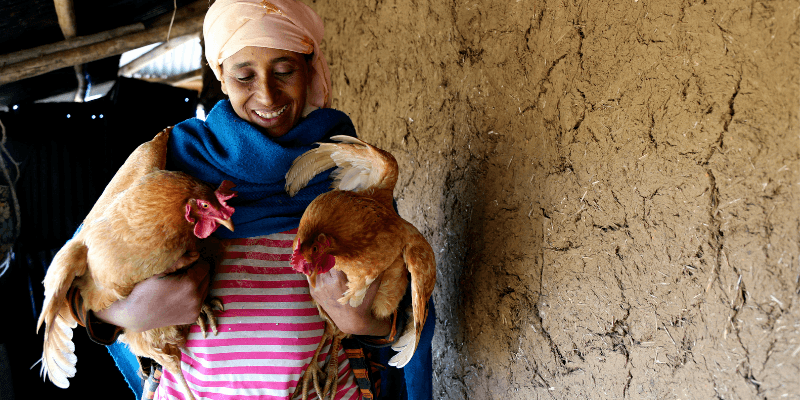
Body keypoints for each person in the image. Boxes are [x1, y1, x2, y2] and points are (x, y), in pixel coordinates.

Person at [74, 0, 435, 399]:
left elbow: (411, 309)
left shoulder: (349, 168)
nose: (266, 94)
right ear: (221, 78)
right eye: (244, 76)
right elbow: (79, 280)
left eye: (284, 71)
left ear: (309, 69)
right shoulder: (169, 164)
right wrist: (127, 313)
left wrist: (362, 321)